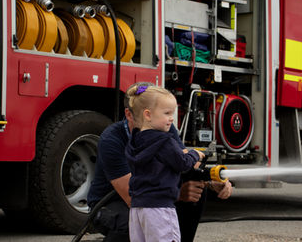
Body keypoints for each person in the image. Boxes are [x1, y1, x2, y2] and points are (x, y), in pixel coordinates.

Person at [87, 82, 232, 242]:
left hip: (148, 198)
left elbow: (187, 162)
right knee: (127, 226)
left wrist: (213, 180)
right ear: (130, 114)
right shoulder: (112, 139)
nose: (170, 119)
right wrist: (178, 194)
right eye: (165, 113)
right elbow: (130, 196)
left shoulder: (163, 128)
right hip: (113, 203)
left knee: (196, 186)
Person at [125, 85, 205, 242]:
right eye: (167, 113)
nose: (172, 118)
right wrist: (195, 154)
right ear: (148, 115)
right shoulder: (165, 141)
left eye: (172, 113)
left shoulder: (135, 141)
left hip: (137, 209)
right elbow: (183, 163)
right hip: (160, 208)